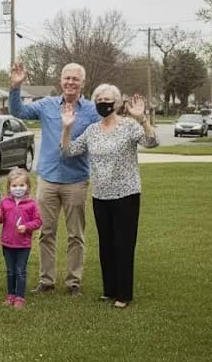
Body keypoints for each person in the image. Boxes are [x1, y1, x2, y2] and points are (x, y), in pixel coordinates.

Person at [60, 87, 158, 308]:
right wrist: (67, 128)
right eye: (99, 99)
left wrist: (142, 119)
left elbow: (152, 142)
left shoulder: (129, 126)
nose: (103, 103)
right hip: (101, 195)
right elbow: (67, 152)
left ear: (116, 103)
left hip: (126, 194)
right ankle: (109, 290)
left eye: (107, 99)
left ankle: (124, 294)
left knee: (123, 244)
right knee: (106, 244)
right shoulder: (92, 130)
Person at [9, 62, 101, 296]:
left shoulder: (91, 110)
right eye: (66, 78)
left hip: (76, 180)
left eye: (75, 79)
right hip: (48, 179)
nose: (70, 82)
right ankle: (46, 281)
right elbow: (18, 111)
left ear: (83, 82)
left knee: (75, 235)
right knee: (46, 232)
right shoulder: (47, 105)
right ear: (60, 80)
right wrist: (16, 87)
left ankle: (73, 283)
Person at [0, 167, 43, 308]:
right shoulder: (5, 203)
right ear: (9, 187)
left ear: (27, 186)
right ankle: (11, 294)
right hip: (7, 243)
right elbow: (1, 220)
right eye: (14, 186)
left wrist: (26, 227)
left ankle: (20, 297)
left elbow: (38, 221)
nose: (18, 188)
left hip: (23, 245)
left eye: (21, 185)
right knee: (10, 271)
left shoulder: (31, 204)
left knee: (20, 270)